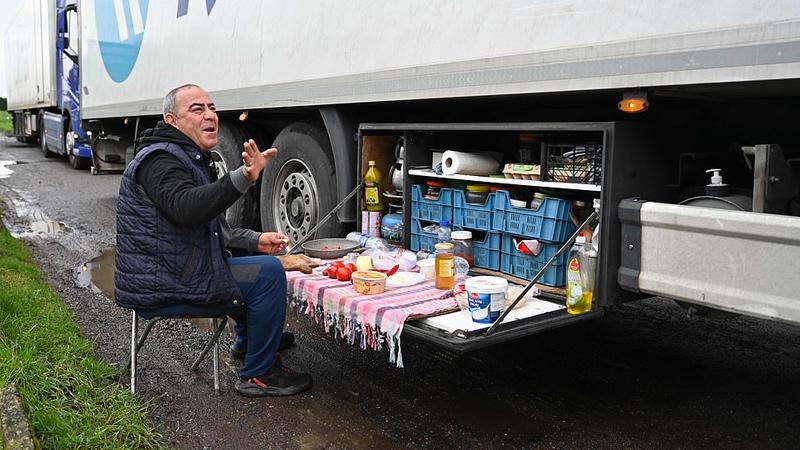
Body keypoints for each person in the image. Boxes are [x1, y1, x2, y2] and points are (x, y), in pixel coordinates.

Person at [114, 83, 312, 397]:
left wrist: (256, 240)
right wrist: (243, 177)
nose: (210, 116)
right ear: (172, 121)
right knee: (268, 274)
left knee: (250, 263)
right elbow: (187, 209)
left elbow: (214, 227)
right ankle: (259, 374)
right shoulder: (159, 161)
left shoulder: (185, 156)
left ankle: (251, 342)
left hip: (178, 269)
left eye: (212, 108)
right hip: (164, 281)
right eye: (197, 109)